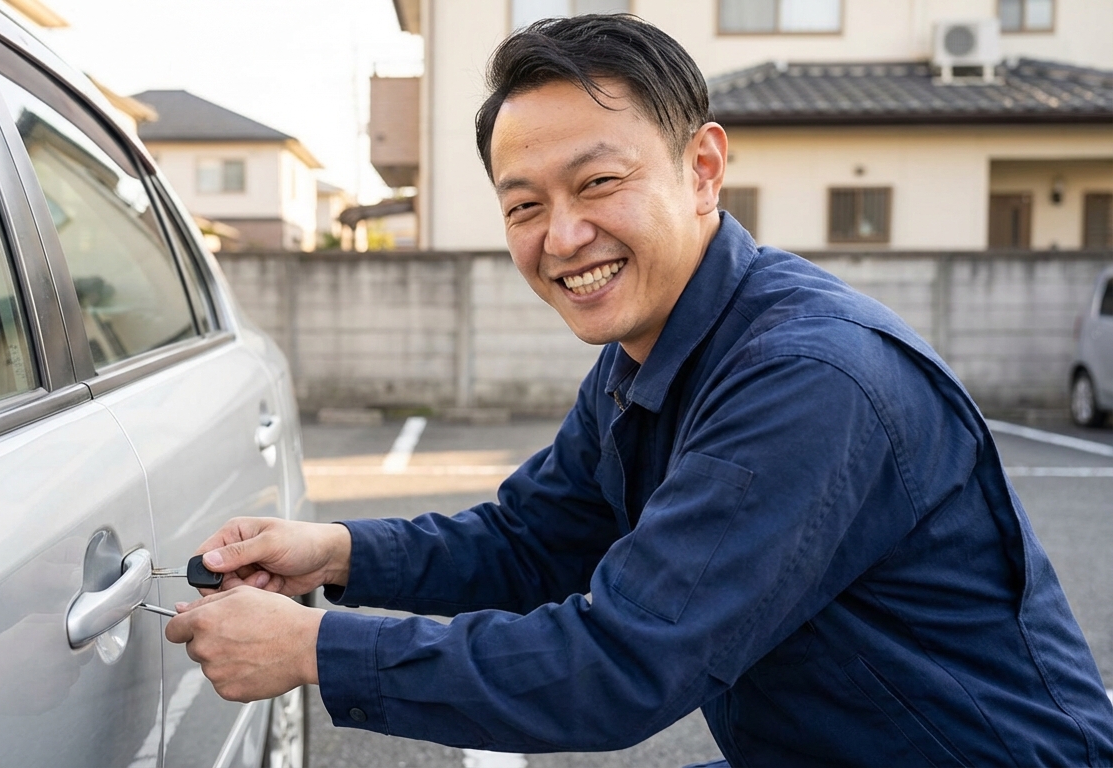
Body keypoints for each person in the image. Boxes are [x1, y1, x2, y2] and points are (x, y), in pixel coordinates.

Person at [163, 14, 1113, 765]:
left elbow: (622, 664)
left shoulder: (806, 378)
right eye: (524, 204)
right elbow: (534, 540)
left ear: (702, 170)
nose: (563, 236)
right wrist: (333, 552)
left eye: (599, 183)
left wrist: (313, 651)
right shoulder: (649, 355)